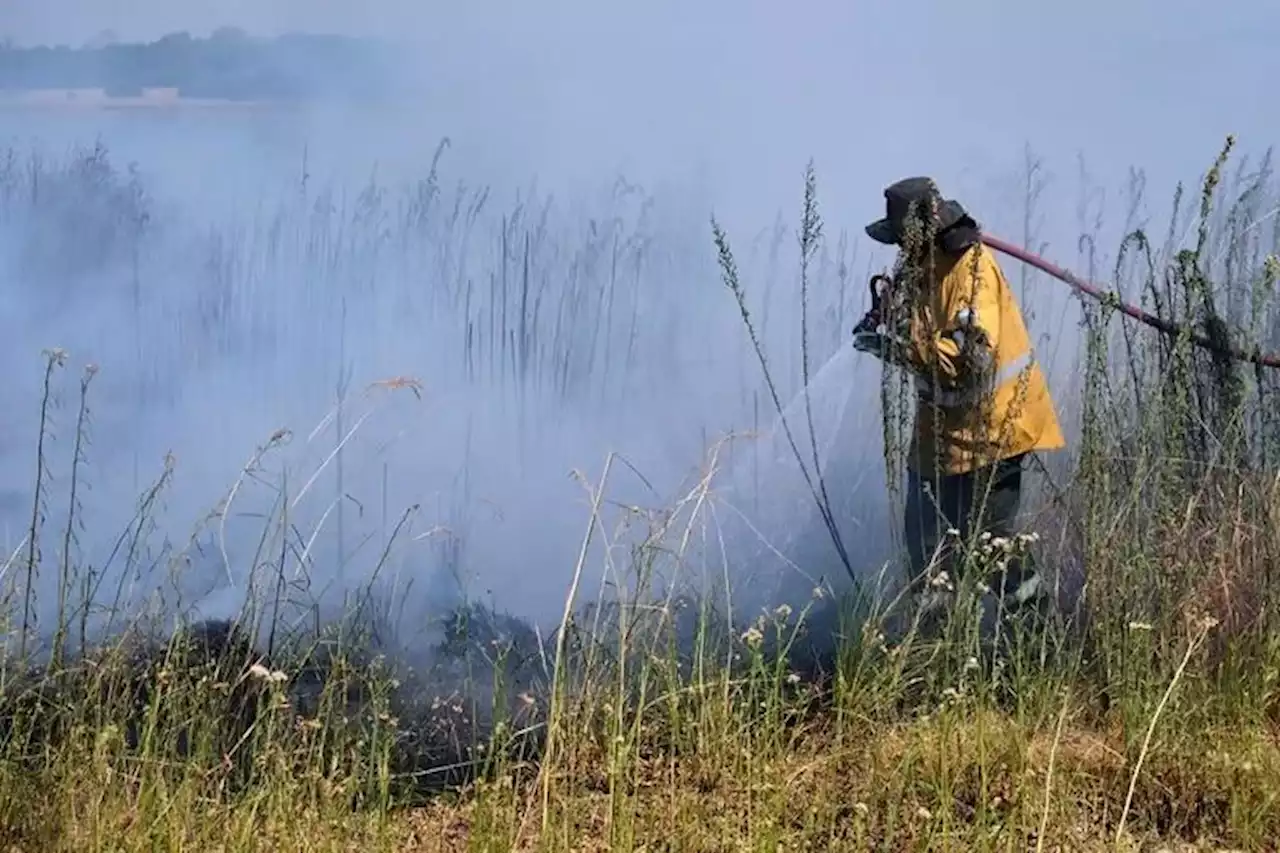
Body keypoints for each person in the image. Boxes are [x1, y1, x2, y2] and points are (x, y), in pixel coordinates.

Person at [851, 176, 1065, 619]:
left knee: (990, 545)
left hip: (995, 428)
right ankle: (936, 647)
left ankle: (1036, 642)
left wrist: (897, 348)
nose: (899, 251)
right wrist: (890, 316)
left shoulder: (972, 272)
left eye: (903, 240)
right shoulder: (921, 264)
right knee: (924, 543)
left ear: (924, 232)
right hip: (941, 431)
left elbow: (971, 359)